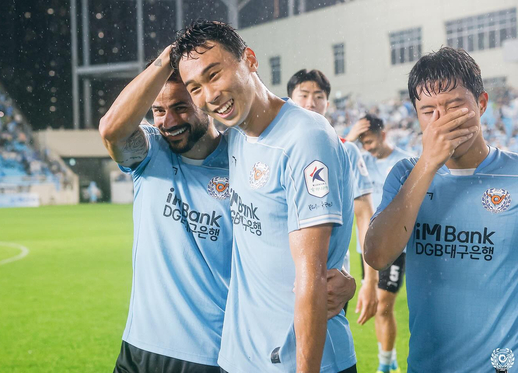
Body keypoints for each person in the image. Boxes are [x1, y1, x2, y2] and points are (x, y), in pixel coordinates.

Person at [100, 45, 356, 372]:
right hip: (139, 345)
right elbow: (112, 130)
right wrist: (168, 58)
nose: (168, 120)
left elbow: (294, 234)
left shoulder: (242, 153)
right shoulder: (150, 154)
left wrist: (343, 278)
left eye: (181, 106)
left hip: (210, 352)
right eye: (158, 110)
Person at [172, 20, 357, 372]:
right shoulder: (237, 135)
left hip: (297, 361)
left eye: (214, 74)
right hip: (241, 358)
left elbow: (312, 276)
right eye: (195, 87)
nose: (209, 95)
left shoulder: (305, 137)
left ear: (250, 60)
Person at [365, 46, 518, 372]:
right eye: (429, 110)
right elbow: (378, 256)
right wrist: (429, 164)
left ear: (482, 103)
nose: (442, 120)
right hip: (428, 365)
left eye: (455, 106)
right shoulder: (405, 174)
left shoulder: (514, 175)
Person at [288, 69, 378, 326]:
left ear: (327, 103)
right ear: (289, 99)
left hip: (330, 280)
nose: (311, 102)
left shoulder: (347, 152)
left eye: (318, 96)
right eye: (303, 94)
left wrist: (369, 280)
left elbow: (365, 218)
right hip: (277, 280)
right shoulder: (273, 149)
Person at [346, 114, 412, 373]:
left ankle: (384, 365)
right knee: (376, 306)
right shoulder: (360, 160)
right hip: (367, 249)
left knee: (383, 304)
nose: (368, 148)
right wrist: (348, 140)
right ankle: (388, 354)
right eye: (363, 143)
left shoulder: (405, 162)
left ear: (383, 135)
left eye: (371, 141)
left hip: (396, 247)